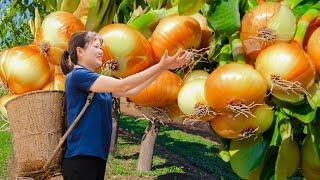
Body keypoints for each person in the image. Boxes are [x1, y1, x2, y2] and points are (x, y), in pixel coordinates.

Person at [60, 31, 191, 179]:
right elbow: (123, 85)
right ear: (80, 51)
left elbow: (132, 90)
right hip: (81, 157)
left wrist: (163, 68)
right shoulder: (78, 76)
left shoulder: (98, 84)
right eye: (96, 46)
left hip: (96, 157)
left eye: (101, 47)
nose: (101, 51)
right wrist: (161, 64)